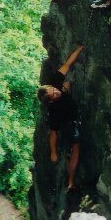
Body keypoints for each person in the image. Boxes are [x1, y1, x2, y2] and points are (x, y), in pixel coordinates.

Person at [37, 44, 84, 190]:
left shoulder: (54, 82)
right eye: (53, 95)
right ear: (50, 100)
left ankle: (67, 90)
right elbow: (53, 133)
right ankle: (70, 182)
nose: (56, 92)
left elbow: (68, 64)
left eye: (53, 90)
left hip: (69, 103)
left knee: (67, 84)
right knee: (76, 148)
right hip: (70, 121)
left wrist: (80, 49)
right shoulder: (53, 110)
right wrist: (53, 152)